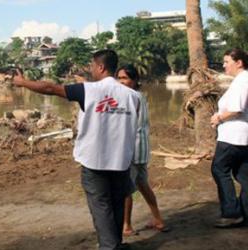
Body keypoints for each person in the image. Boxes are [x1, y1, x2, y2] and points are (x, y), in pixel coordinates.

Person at [12, 49, 140, 250]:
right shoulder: (133, 96)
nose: (91, 70)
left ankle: (109, 247)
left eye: (92, 66)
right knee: (116, 204)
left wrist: (23, 83)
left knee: (101, 206)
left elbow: (49, 88)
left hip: (94, 161)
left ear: (100, 67)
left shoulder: (88, 90)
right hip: (121, 161)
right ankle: (116, 243)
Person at [115, 65, 168, 236]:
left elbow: (125, 126)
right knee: (143, 185)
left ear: (135, 80)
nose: (121, 82)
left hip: (131, 150)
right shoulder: (140, 96)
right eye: (119, 78)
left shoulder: (129, 97)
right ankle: (158, 219)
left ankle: (126, 226)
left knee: (126, 189)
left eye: (125, 78)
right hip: (141, 149)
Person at [210, 48, 248, 228]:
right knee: (243, 175)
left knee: (219, 170)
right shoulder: (242, 80)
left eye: (227, 62)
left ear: (239, 62)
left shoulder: (242, 81)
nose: (224, 65)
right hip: (243, 137)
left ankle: (232, 213)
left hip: (232, 137)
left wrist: (218, 117)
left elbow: (236, 109)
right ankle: (244, 213)